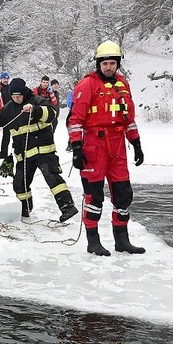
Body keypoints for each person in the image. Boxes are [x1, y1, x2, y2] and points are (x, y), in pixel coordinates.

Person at [67, 40, 145, 257]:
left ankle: (122, 240)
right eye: (105, 63)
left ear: (117, 64)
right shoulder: (87, 85)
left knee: (123, 193)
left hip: (117, 144)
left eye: (112, 63)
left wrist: (136, 143)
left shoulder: (122, 84)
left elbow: (128, 118)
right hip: (94, 144)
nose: (109, 67)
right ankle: (93, 241)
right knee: (94, 196)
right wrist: (76, 147)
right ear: (98, 64)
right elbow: (75, 119)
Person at [0, 78, 77, 222]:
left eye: (19, 96)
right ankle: (25, 208)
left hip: (43, 151)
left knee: (52, 177)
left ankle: (67, 206)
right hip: (23, 155)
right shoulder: (9, 108)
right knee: (19, 184)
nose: (16, 99)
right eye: (13, 97)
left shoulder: (36, 100)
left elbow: (52, 114)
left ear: (24, 93)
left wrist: (35, 110)